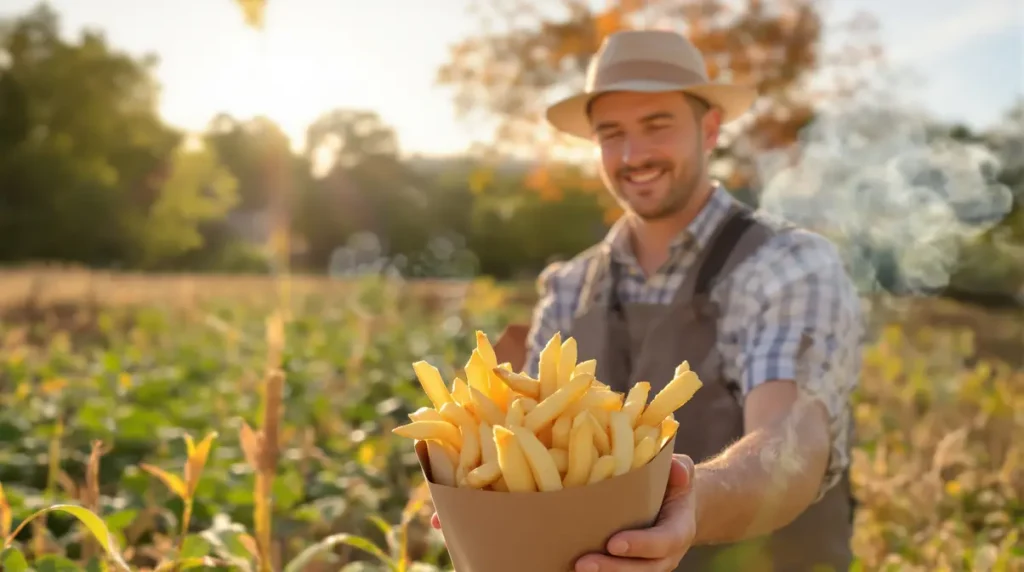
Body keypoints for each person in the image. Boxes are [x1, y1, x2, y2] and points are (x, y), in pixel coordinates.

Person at [433, 28, 863, 572]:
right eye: (611, 134)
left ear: (709, 130)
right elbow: (522, 451)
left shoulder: (787, 265)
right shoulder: (569, 289)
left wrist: (690, 500)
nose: (634, 155)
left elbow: (792, 441)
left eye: (657, 125)